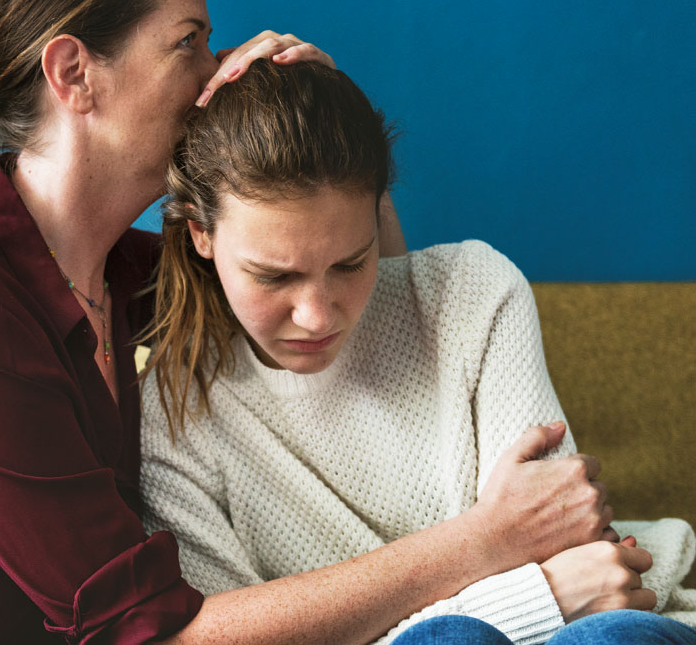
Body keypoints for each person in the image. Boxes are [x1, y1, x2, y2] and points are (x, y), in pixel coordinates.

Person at [0, 1, 629, 644]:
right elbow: (148, 637)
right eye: (189, 40)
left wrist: (319, 126)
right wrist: (485, 544)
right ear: (75, 75)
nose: (218, 67)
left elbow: (381, 321)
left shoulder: (141, 278)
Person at [139, 59, 696, 644]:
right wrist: (540, 596)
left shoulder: (470, 294)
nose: (318, 315)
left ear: (380, 213)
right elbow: (561, 584)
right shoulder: (172, 416)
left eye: (351, 263)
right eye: (274, 277)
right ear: (201, 233)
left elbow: (571, 552)